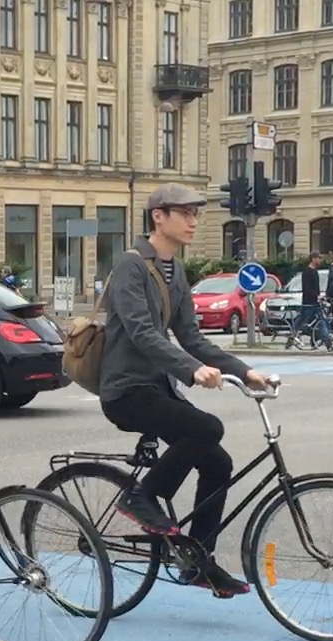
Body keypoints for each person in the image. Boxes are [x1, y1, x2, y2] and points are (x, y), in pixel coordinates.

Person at [99, 183, 274, 598]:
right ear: (159, 216)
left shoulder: (175, 273)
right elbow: (142, 333)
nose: (194, 221)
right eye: (186, 213)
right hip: (126, 390)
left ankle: (198, 562)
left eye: (197, 214)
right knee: (207, 427)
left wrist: (245, 371)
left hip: (158, 389)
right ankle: (140, 498)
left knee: (218, 462)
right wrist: (193, 371)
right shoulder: (131, 266)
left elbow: (193, 338)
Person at [292, 253, 326, 346]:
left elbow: (316, 287)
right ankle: (293, 336)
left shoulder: (315, 271)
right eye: (318, 258)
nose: (320, 260)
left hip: (315, 302)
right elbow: (306, 288)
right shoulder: (307, 272)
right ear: (313, 259)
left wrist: (319, 296)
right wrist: (316, 295)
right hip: (308, 302)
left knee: (317, 322)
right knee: (304, 322)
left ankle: (321, 343)